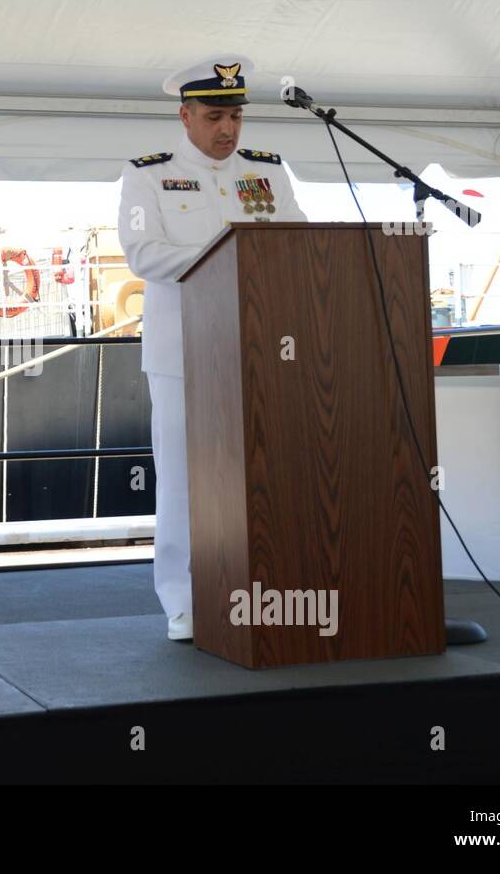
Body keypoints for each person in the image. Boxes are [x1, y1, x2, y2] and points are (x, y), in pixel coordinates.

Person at [117, 54, 307, 641]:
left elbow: (301, 242)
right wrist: (232, 258)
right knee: (181, 479)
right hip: (181, 354)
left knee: (265, 470)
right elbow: (144, 254)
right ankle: (182, 599)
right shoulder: (147, 174)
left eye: (236, 117)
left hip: (261, 348)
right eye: (214, 116)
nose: (228, 129)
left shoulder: (268, 173)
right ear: (186, 115)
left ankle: (264, 586)